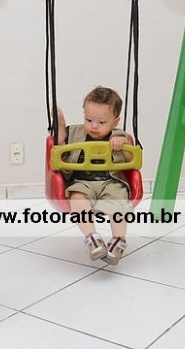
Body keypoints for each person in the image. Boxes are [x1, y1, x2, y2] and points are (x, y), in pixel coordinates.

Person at [56, 86, 134, 265]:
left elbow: (131, 159)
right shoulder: (75, 133)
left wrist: (123, 144)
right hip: (82, 182)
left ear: (115, 122)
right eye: (88, 119)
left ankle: (119, 240)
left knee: (119, 203)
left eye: (102, 122)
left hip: (110, 182)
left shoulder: (119, 136)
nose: (94, 126)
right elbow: (59, 148)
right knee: (77, 200)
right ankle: (93, 238)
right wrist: (60, 129)